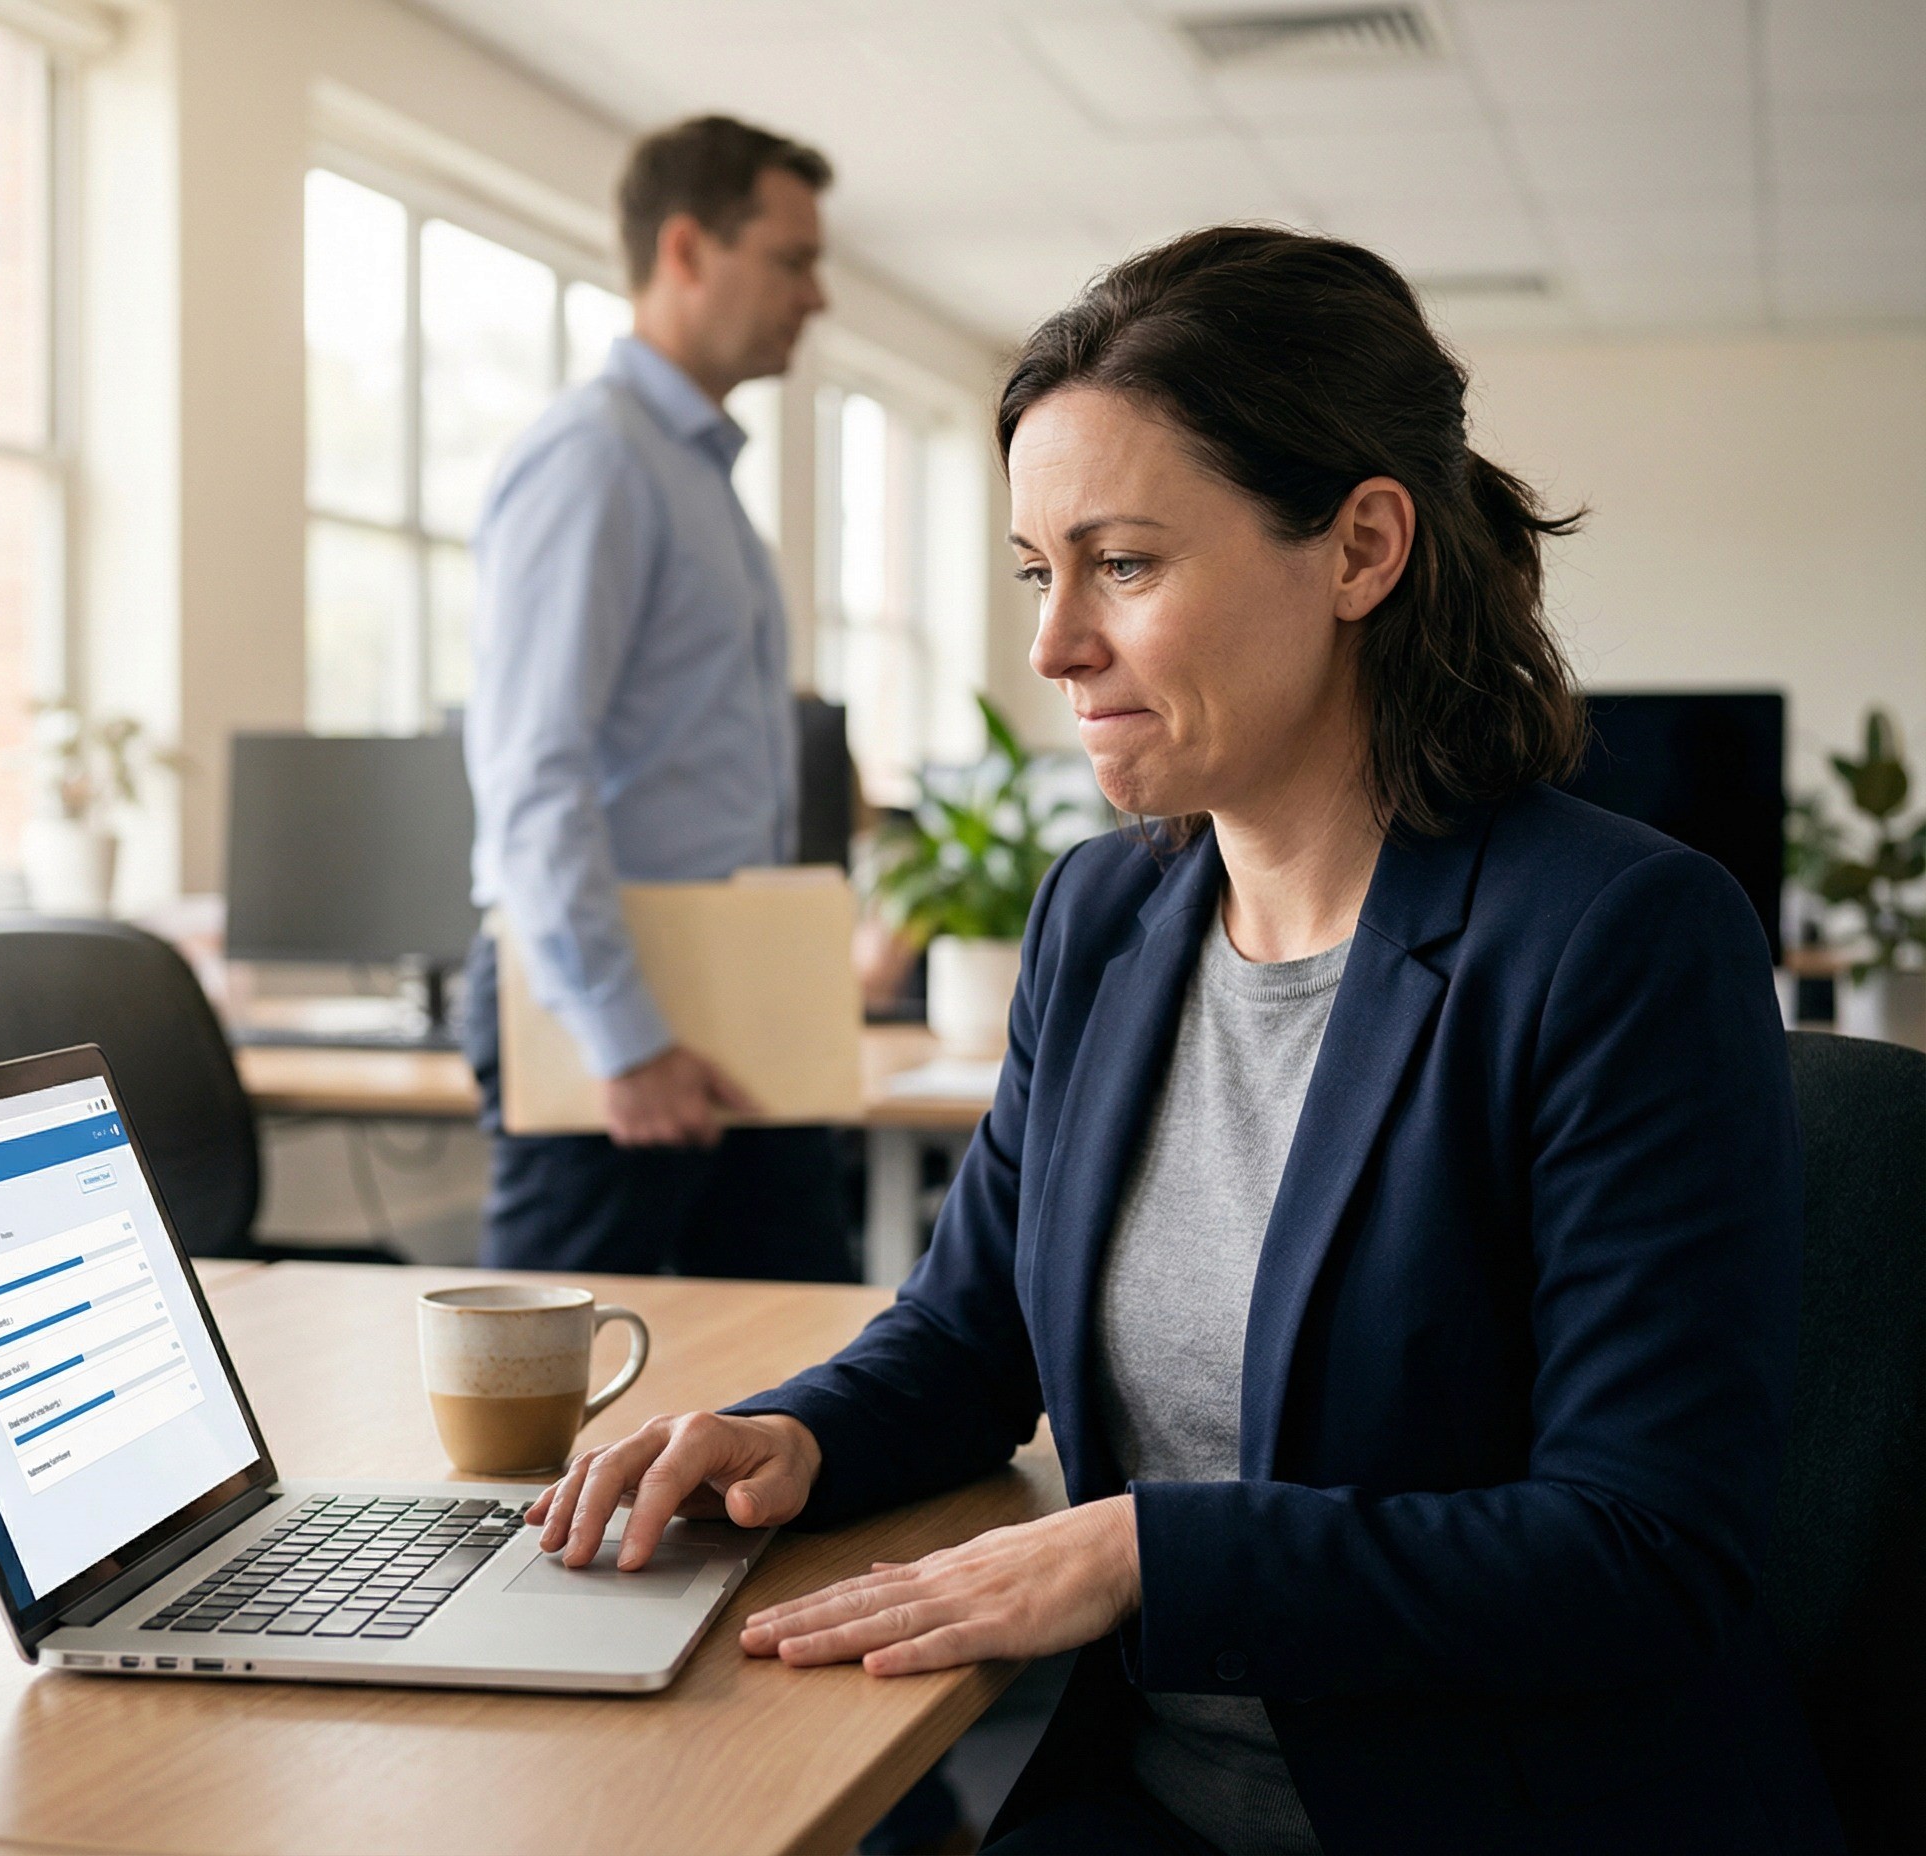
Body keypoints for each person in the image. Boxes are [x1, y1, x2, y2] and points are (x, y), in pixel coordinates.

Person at [522, 227, 1842, 1854]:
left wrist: (1141, 1553)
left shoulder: (1618, 942)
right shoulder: (1100, 918)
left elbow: (1641, 1550)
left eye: (1122, 565)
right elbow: (964, 1334)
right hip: (1143, 1805)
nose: (1050, 646)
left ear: (1358, 549)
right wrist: (793, 1431)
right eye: (1034, 570)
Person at [462, 116, 851, 1282]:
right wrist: (621, 1040)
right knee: (546, 1407)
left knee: (802, 1350)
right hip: (615, 996)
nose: (817, 295)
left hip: (717, 974)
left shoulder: (693, 473)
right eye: (791, 260)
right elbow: (534, 769)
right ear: (686, 249)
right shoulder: (596, 459)